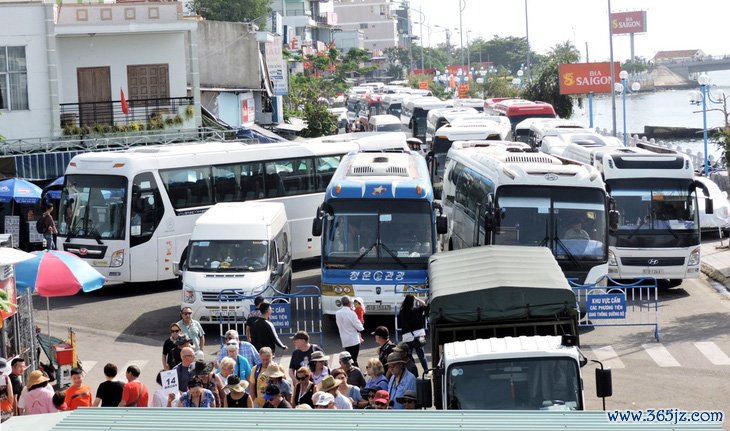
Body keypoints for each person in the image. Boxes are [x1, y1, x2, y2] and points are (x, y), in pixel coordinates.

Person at [398, 294, 429, 371]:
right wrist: (417, 299)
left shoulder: (402, 311)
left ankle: (410, 371)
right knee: (421, 355)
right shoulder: (417, 310)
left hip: (407, 337)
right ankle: (426, 370)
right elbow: (426, 305)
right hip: (418, 336)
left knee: (408, 356)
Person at [335, 296, 364, 366]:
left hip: (345, 340)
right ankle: (358, 375)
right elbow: (360, 327)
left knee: (349, 360)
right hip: (354, 340)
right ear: (349, 303)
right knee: (353, 360)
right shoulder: (351, 313)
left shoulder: (338, 313)